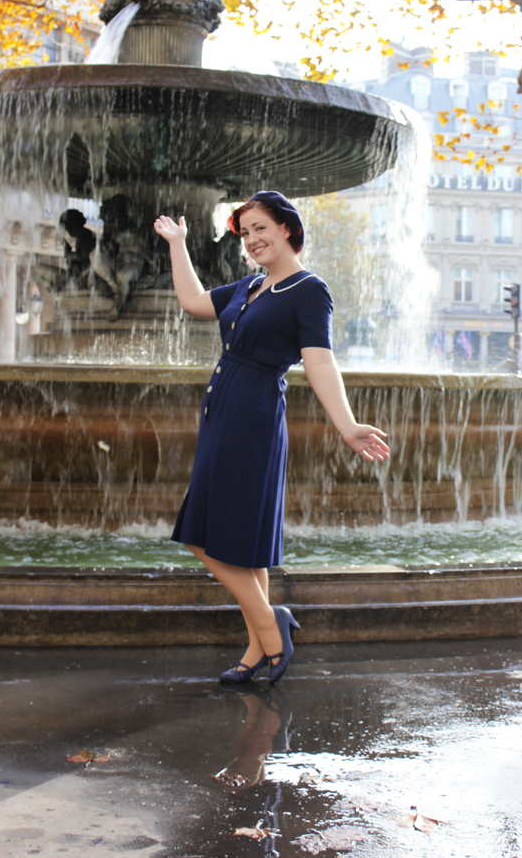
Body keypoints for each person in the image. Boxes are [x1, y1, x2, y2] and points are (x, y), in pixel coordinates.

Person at [154, 190, 389, 684]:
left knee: (203, 537)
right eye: (245, 232)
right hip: (223, 413)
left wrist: (347, 426)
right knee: (243, 544)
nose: (252, 239)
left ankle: (271, 624)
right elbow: (195, 302)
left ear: (287, 228)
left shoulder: (308, 290)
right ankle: (257, 649)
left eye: (261, 228)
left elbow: (320, 361)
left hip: (254, 417)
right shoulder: (252, 286)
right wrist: (177, 243)